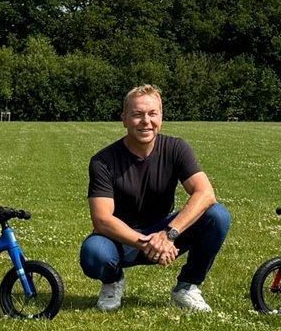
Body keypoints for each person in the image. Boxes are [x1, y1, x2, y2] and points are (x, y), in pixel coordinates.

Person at [79, 84, 230, 313]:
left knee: (217, 215)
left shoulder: (176, 148)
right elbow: (102, 220)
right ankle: (112, 281)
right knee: (94, 253)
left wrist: (169, 234)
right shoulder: (103, 161)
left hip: (165, 231)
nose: (146, 121)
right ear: (124, 119)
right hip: (121, 238)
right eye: (137, 114)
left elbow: (205, 193)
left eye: (152, 113)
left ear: (161, 117)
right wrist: (149, 243)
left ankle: (187, 287)